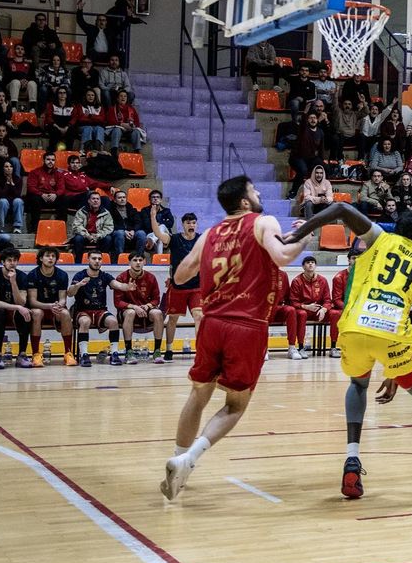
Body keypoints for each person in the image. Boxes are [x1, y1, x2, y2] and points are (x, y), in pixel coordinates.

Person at [275, 204, 412, 506]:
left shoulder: (380, 238)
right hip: (393, 334)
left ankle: (352, 460)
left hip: (352, 328)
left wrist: (300, 233)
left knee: (358, 385)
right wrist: (395, 370)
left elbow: (340, 207)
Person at [161, 175, 307, 501]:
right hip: (247, 325)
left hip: (211, 323)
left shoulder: (209, 234)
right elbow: (283, 257)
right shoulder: (263, 222)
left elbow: (180, 274)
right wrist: (304, 238)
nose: (258, 195)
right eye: (254, 191)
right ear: (244, 202)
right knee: (235, 405)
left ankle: (176, 457)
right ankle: (188, 460)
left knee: (198, 395)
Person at [67, 250, 126, 367]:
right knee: (85, 321)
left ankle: (114, 353)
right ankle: (84, 355)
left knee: (113, 321)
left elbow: (117, 285)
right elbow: (70, 293)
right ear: (88, 260)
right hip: (82, 310)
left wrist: (127, 287)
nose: (97, 261)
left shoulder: (105, 276)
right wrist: (78, 285)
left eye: (99, 259)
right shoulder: (79, 275)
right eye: (94, 258)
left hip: (100, 310)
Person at [160, 212, 204, 362]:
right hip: (178, 287)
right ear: (183, 225)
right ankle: (169, 349)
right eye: (188, 223)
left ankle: (201, 352)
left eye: (193, 223)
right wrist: (153, 218)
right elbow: (159, 235)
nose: (191, 225)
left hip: (197, 286)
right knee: (172, 319)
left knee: (199, 316)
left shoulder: (201, 239)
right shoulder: (175, 239)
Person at [0, 247, 35, 369]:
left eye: (15, 260)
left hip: (14, 310)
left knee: (26, 313)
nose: (12, 263)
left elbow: (21, 302)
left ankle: (22, 354)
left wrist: (13, 282)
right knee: (0, 312)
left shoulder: (22, 276)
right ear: (3, 262)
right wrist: (18, 306)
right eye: (9, 260)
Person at [26, 246, 75, 366]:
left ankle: (68, 353)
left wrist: (60, 305)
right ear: (41, 258)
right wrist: (49, 305)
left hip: (55, 309)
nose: (51, 258)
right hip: (40, 308)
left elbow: (63, 298)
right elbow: (32, 301)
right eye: (48, 255)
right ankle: (36, 354)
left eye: (53, 256)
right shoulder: (33, 275)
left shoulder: (62, 275)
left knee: (65, 313)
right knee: (37, 313)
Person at [117, 252, 166, 360]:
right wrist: (134, 307)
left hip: (146, 309)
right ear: (129, 262)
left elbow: (156, 299)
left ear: (144, 262)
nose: (138, 263)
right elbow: (118, 302)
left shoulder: (151, 277)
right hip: (128, 310)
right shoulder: (121, 277)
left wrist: (148, 306)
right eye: (135, 260)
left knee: (158, 313)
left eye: (140, 260)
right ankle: (128, 351)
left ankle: (157, 351)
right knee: (130, 313)